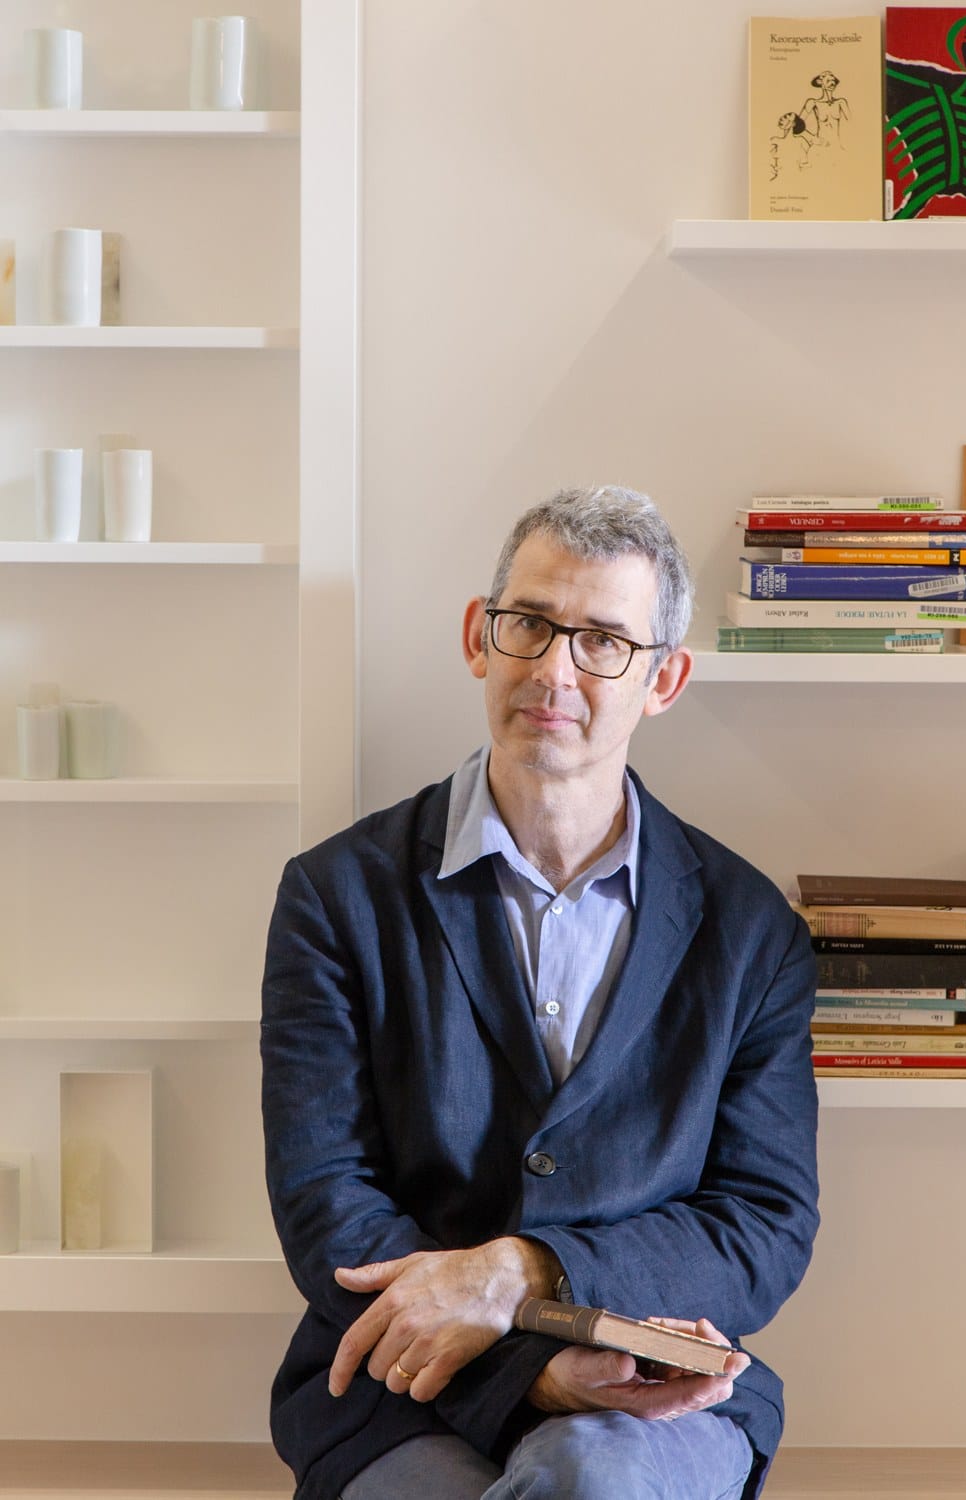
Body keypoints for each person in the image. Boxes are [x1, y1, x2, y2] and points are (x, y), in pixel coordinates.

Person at [260, 485, 819, 1500]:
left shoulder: (751, 934)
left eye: (604, 639)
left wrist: (527, 1270)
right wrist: (536, 1370)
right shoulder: (335, 896)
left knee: (592, 1476)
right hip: (399, 1381)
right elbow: (325, 1203)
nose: (554, 669)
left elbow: (762, 1225)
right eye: (530, 624)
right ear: (481, 636)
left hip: (656, 1384)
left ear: (666, 679)